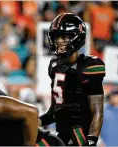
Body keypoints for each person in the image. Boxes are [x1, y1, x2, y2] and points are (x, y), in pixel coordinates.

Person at [39, 13, 105, 146]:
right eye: (57, 37)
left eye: (64, 37)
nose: (59, 41)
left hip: (79, 135)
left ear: (77, 38)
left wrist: (91, 140)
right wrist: (35, 120)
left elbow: (97, 110)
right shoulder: (54, 64)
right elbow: (54, 111)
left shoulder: (89, 66)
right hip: (60, 133)